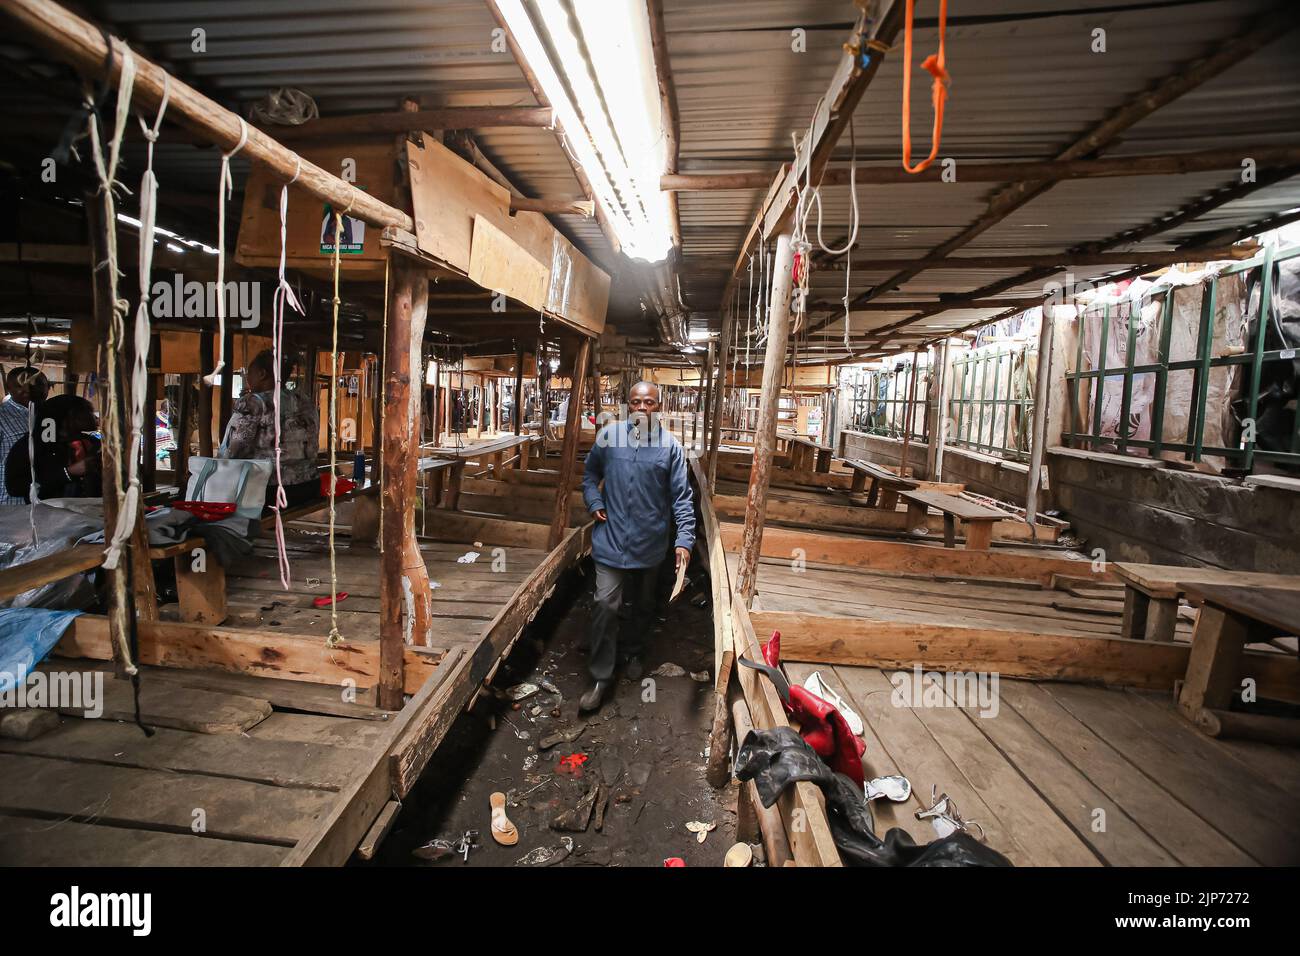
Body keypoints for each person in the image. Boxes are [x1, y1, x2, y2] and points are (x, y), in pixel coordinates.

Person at [578, 381, 695, 712]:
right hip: (610, 539)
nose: (642, 408)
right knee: (605, 603)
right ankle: (601, 676)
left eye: (649, 402)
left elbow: (681, 498)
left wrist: (684, 539)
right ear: (627, 405)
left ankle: (635, 649)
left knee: (644, 604)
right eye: (636, 402)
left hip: (650, 542)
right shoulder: (609, 439)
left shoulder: (670, 447)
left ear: (659, 406)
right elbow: (589, 476)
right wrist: (594, 500)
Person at [218, 349, 320, 509]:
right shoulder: (305, 401)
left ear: (262, 374)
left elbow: (231, 452)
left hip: (270, 490)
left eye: (249, 374)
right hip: (309, 486)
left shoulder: (253, 403)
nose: (247, 379)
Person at [4, 394, 101, 502]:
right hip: (48, 515)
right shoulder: (30, 446)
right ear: (69, 418)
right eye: (88, 412)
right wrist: (68, 473)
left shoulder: (91, 442)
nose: (95, 418)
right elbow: (14, 488)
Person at [0, 366, 49, 505]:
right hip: (10, 503)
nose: (28, 390)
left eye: (37, 384)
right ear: (9, 388)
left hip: (48, 500)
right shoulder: (2, 417)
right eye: (20, 385)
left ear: (47, 387)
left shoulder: (53, 416)